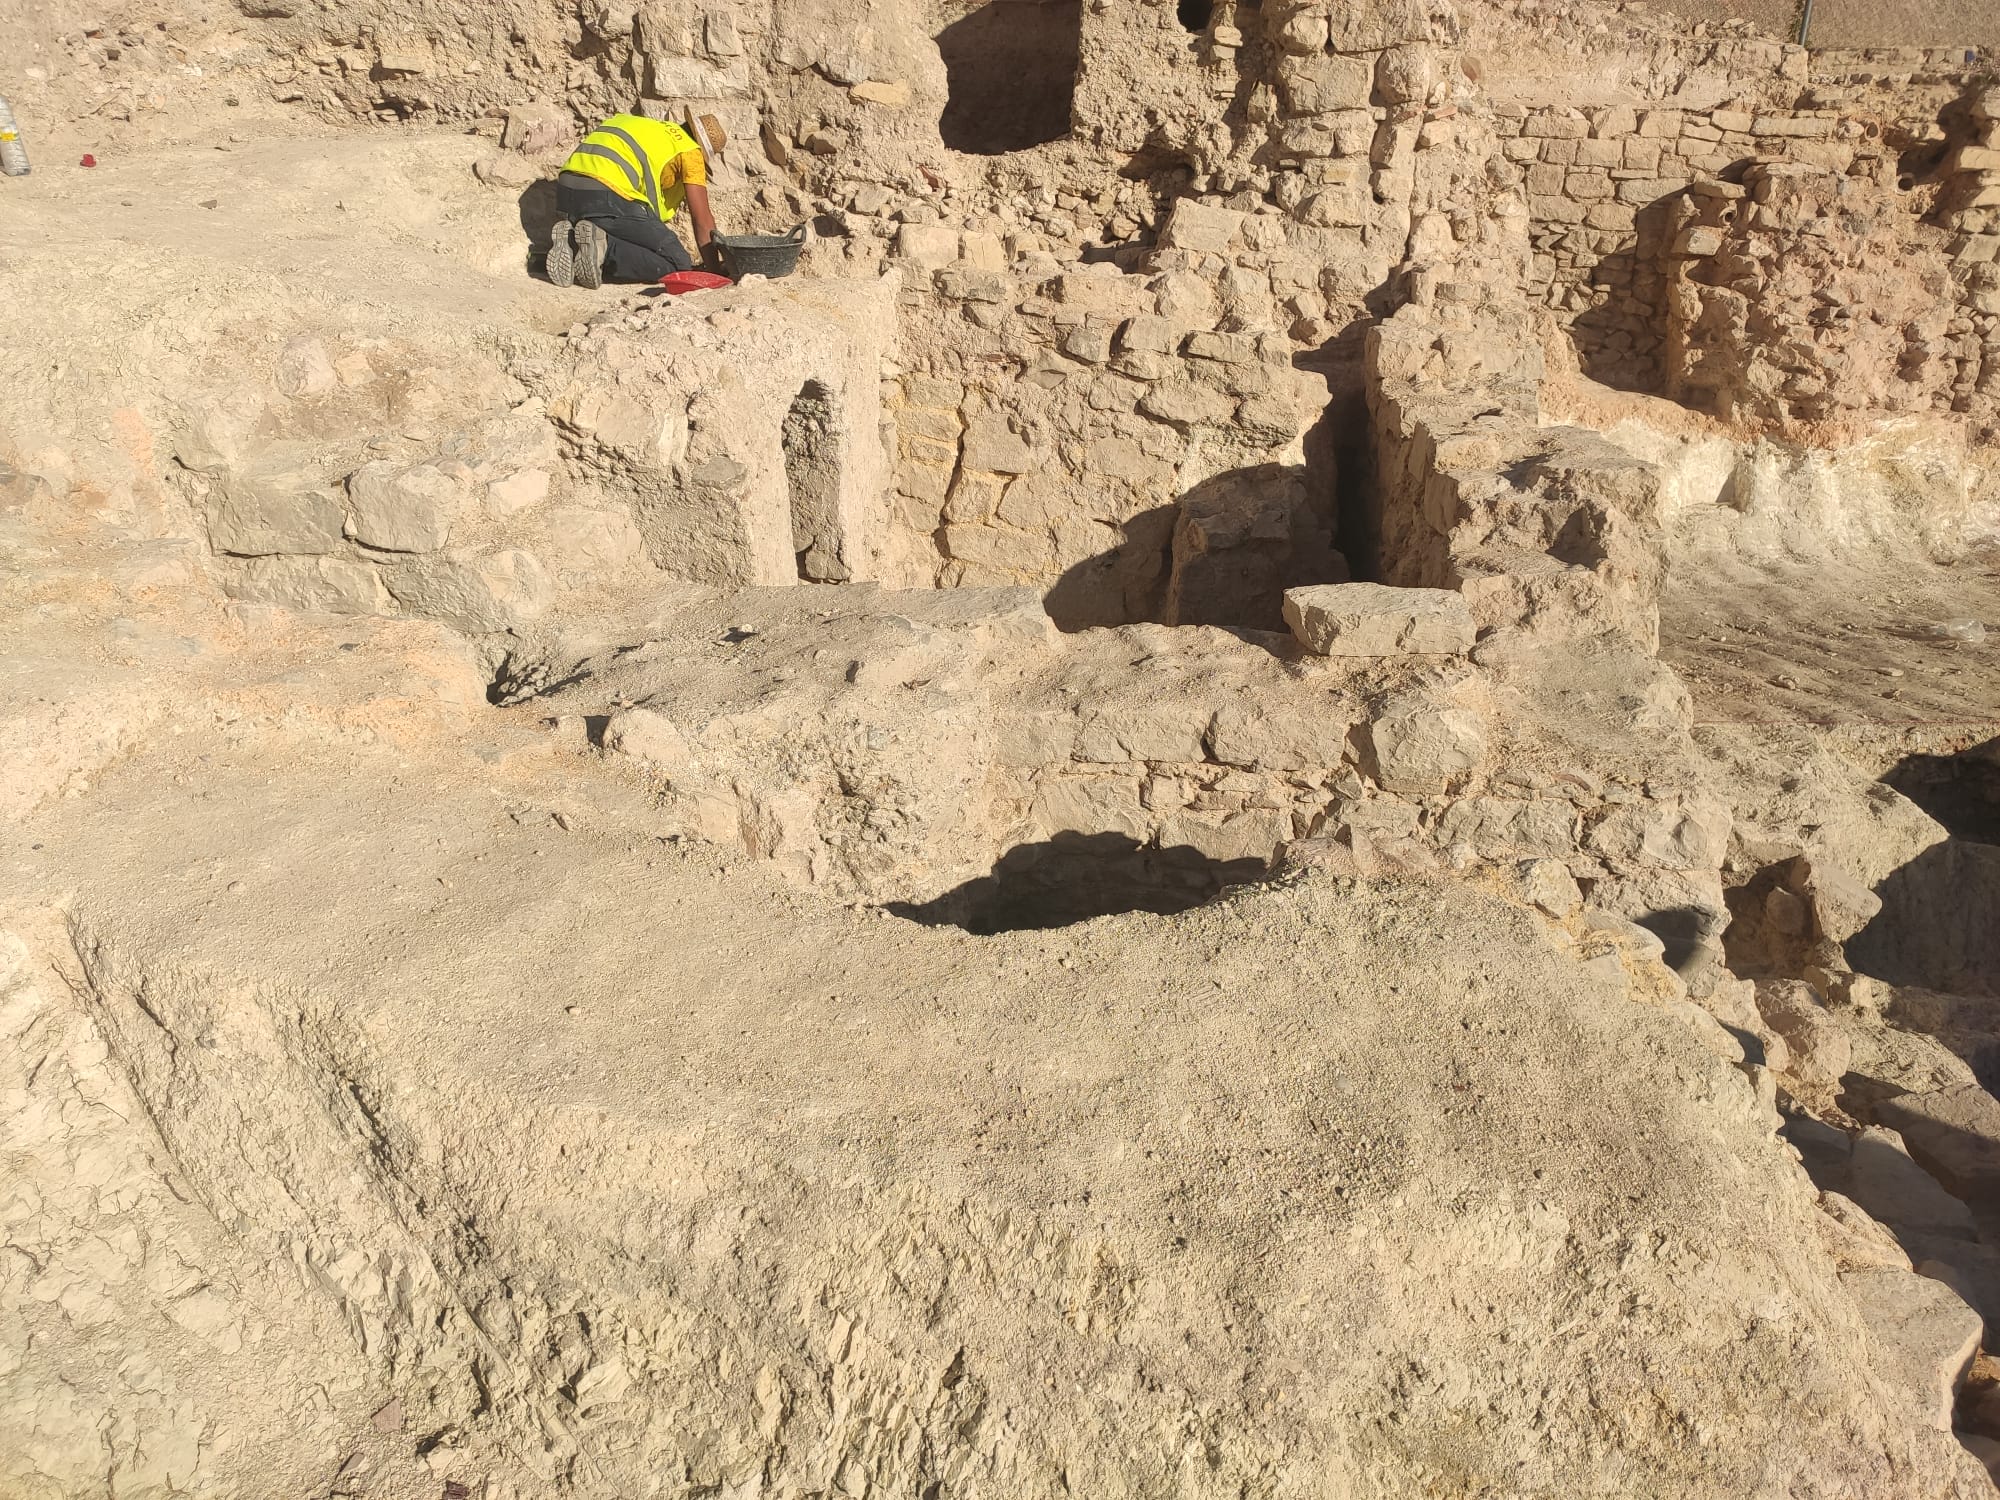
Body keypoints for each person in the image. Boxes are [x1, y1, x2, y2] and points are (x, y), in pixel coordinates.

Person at [547, 110, 726, 288]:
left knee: (627, 240)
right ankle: (604, 248)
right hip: (607, 195)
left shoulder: (650, 129)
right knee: (679, 264)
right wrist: (714, 271)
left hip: (566, 193)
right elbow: (702, 218)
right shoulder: (690, 151)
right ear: (701, 151)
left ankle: (573, 244)